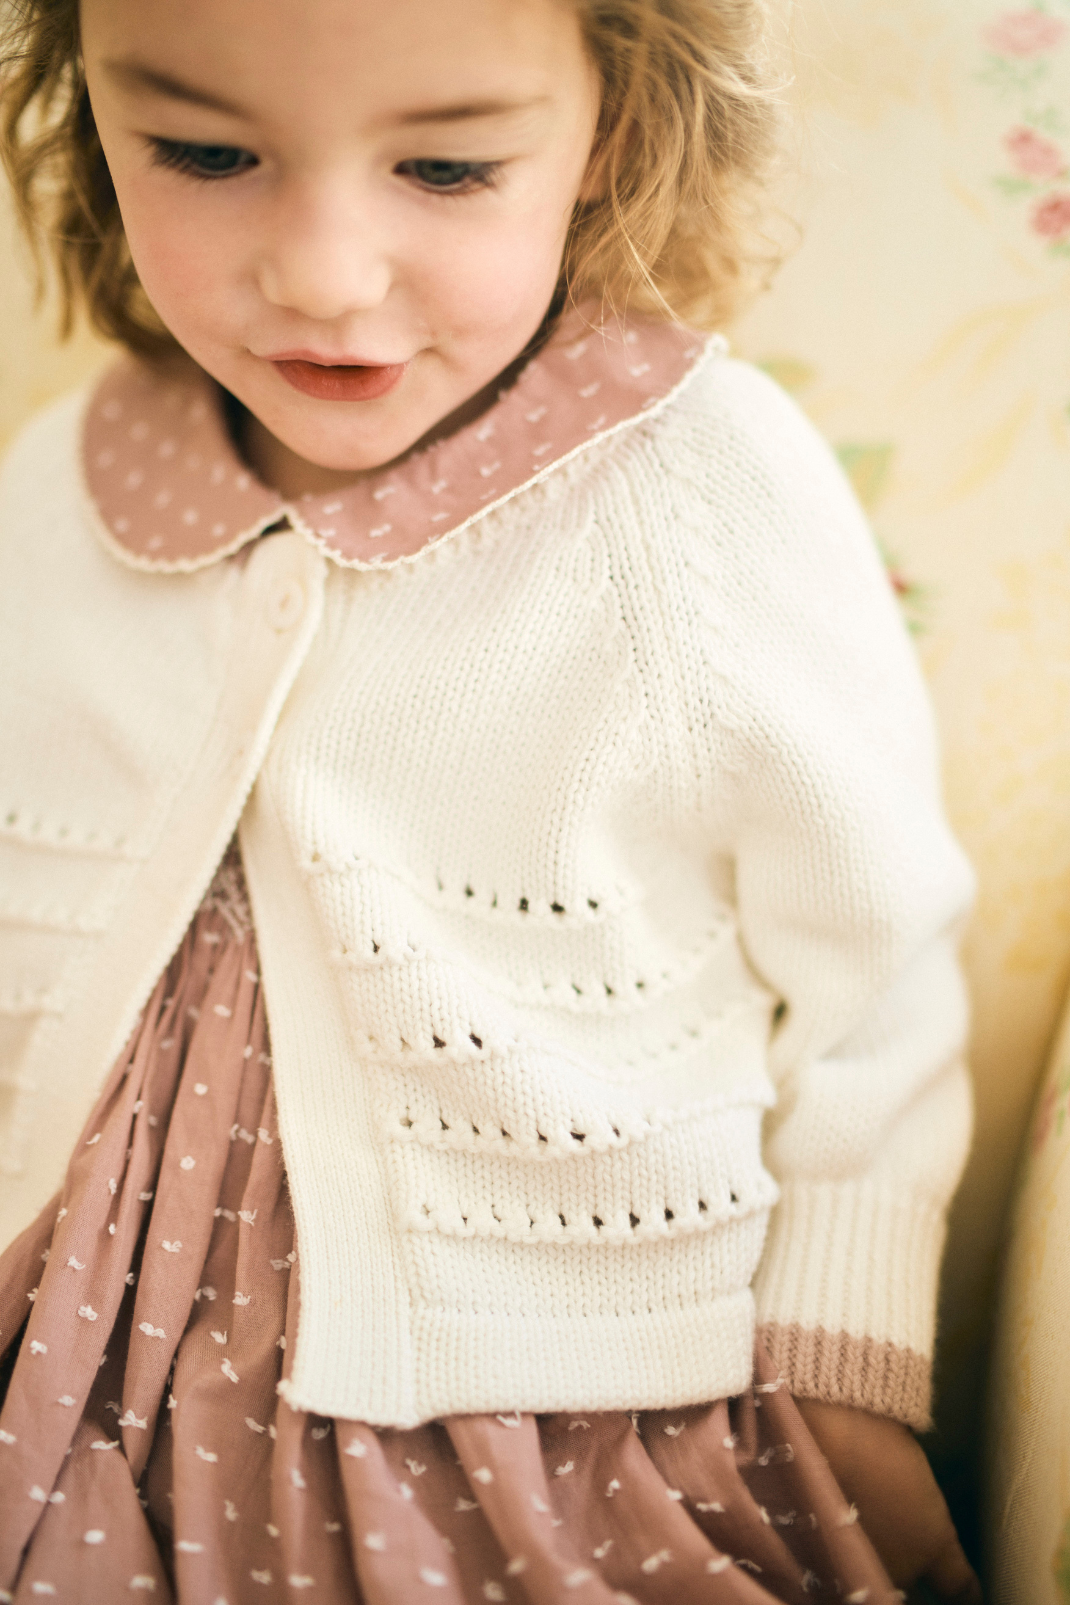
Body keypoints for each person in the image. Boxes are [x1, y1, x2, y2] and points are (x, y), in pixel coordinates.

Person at [0, 0, 983, 1599]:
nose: (322, 270)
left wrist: (846, 1354)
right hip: (86, 1346)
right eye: (201, 150)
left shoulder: (694, 485)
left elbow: (873, 962)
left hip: (552, 1399)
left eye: (447, 168)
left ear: (613, 131)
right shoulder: (65, 480)